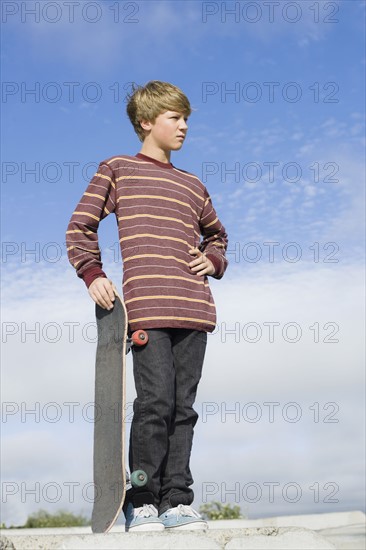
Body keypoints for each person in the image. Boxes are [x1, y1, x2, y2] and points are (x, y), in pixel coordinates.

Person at [66, 81, 228, 532]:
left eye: (186, 118)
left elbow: (218, 235)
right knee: (155, 402)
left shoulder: (193, 185)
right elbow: (79, 228)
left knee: (184, 409)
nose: (184, 125)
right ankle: (141, 500)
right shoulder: (117, 169)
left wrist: (212, 259)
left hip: (193, 309)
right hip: (147, 312)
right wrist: (93, 275)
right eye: (175, 117)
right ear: (146, 121)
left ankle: (177, 500)